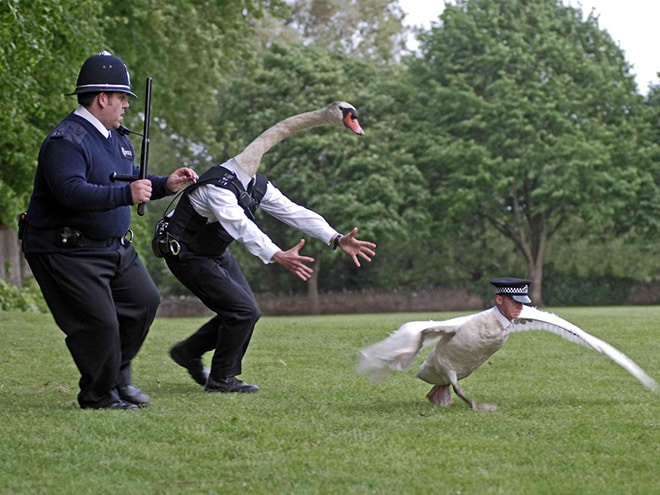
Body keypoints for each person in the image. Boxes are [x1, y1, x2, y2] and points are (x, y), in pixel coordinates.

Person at [21, 51, 198, 410]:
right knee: (99, 325)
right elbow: (70, 192)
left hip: (113, 247)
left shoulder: (117, 138)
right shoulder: (65, 141)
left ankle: (117, 378)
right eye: (122, 98)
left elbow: (129, 180)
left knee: (143, 302)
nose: (126, 107)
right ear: (102, 98)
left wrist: (166, 184)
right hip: (65, 249)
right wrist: (125, 194)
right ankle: (99, 395)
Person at [164, 159, 377, 393]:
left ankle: (188, 352)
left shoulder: (256, 184)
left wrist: (335, 237)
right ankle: (221, 379)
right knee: (243, 312)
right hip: (185, 254)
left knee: (244, 312)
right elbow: (241, 226)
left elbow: (293, 211)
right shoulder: (217, 187)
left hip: (214, 252)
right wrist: (275, 253)